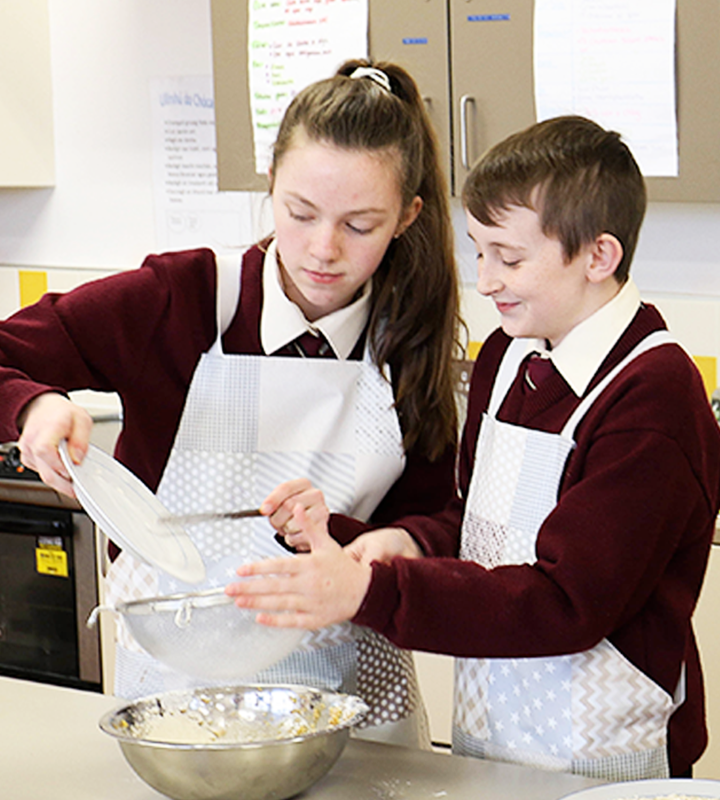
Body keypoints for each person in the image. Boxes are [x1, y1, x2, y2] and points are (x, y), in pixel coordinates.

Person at [226, 115, 720, 781]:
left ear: (599, 257)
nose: (485, 281)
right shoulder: (508, 357)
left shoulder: (652, 396)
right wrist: (387, 543)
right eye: (479, 251)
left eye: (510, 258)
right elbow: (483, 525)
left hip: (606, 762)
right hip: (493, 737)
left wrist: (372, 590)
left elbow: (566, 602)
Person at [0, 59, 462, 748]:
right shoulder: (183, 299)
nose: (322, 249)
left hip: (350, 700)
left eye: (360, 225)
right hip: (179, 696)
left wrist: (401, 542)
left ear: (407, 217)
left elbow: (445, 515)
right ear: (270, 182)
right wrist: (33, 408)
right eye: (300, 212)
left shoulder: (413, 342)